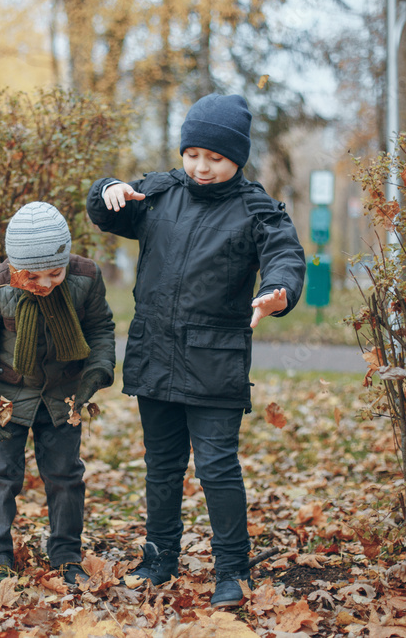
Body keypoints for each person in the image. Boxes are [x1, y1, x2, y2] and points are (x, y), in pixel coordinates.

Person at [85, 93, 306, 608]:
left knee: (217, 467)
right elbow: (106, 211)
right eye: (193, 155)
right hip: (155, 355)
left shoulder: (255, 208)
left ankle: (233, 569)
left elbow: (285, 255)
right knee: (161, 466)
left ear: (237, 159)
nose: (201, 167)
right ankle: (159, 559)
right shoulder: (159, 193)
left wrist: (279, 292)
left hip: (215, 362)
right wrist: (108, 190)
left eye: (215, 158)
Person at [0, 201, 116, 585]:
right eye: (33, 276)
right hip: (6, 399)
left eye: (54, 273)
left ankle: (65, 553)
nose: (45, 284)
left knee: (65, 475)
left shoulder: (86, 278)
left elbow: (100, 330)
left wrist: (97, 369)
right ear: (14, 267)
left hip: (63, 396)